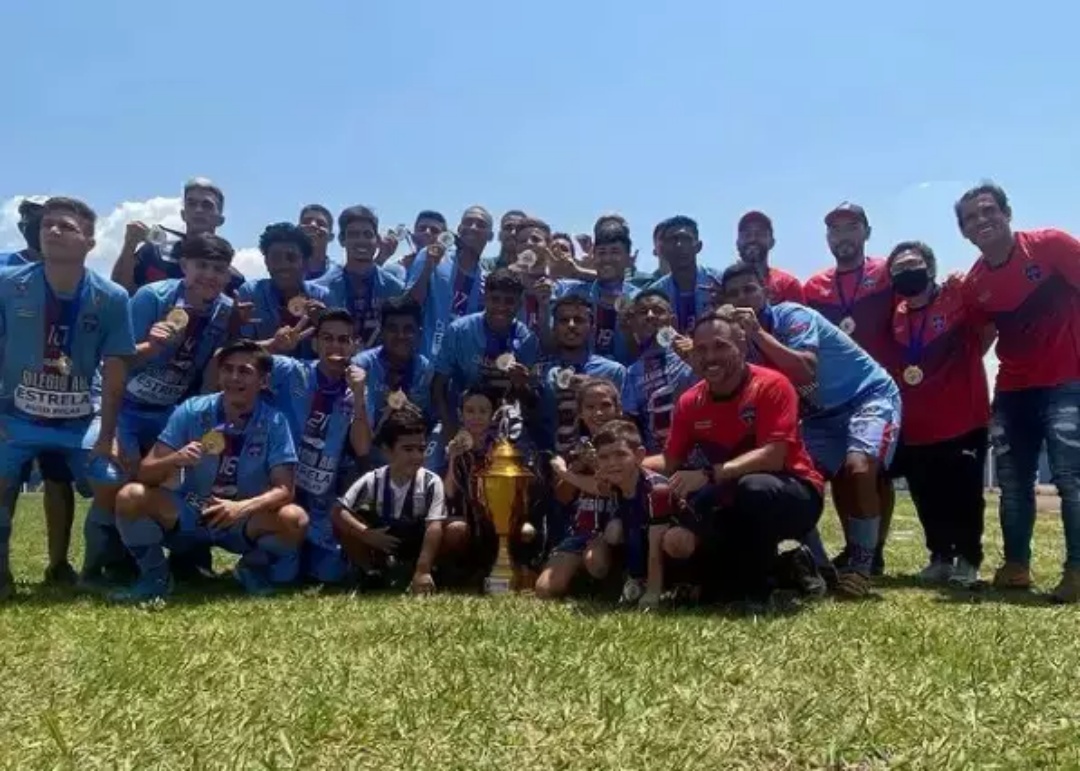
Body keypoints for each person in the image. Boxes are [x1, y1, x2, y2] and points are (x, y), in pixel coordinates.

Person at [720, 262, 900, 595]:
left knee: (859, 468)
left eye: (749, 289)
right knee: (794, 482)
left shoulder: (792, 316)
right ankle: (821, 566)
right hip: (818, 415)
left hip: (866, 395)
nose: (742, 298)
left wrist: (758, 332)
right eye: (733, 293)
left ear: (767, 291)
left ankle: (862, 567)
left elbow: (805, 370)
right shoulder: (737, 340)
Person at [81, 232, 239, 589]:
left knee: (186, 479)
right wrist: (152, 346)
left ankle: (183, 561)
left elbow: (216, 360)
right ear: (184, 265)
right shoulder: (152, 297)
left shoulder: (224, 309)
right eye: (201, 266)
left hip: (170, 411)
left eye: (218, 268)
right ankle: (96, 569)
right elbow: (117, 361)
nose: (209, 276)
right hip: (124, 407)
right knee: (110, 477)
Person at [0, 197, 136, 600]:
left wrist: (107, 434)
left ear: (90, 242)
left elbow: (114, 372)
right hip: (15, 416)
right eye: (48, 225)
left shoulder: (111, 297)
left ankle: (92, 570)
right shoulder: (8, 285)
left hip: (79, 418)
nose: (53, 231)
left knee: (110, 480)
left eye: (66, 227)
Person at [648, 310, 826, 605]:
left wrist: (707, 475)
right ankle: (792, 566)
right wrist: (621, 462)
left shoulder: (773, 385)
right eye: (701, 349)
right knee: (694, 564)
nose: (710, 356)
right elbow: (670, 461)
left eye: (720, 346)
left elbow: (773, 457)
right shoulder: (690, 401)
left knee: (754, 488)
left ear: (742, 346)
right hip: (728, 498)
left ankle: (759, 591)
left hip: (793, 491)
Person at [958, 182, 1080, 601]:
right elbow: (980, 340)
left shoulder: (1051, 246)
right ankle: (1015, 566)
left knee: (1070, 478)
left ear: (1007, 213)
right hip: (1012, 389)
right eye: (971, 218)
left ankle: (1077, 570)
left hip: (1068, 381)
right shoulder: (974, 283)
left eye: (988, 211)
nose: (982, 221)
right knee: (1012, 483)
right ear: (965, 233)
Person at [111, 341, 306, 601]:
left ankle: (251, 568)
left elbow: (285, 489)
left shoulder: (275, 422)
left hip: (240, 519)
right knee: (130, 496)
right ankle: (155, 577)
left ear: (263, 380)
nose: (234, 378)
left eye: (245, 371)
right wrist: (175, 459)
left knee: (295, 519)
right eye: (228, 369)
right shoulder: (192, 410)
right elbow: (145, 473)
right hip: (190, 512)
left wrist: (241, 508)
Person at [885, 242, 991, 587]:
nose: (907, 272)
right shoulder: (897, 313)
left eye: (913, 264)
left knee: (965, 493)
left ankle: (969, 559)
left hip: (964, 417)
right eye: (898, 268)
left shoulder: (956, 297)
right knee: (926, 494)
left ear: (930, 268)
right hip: (918, 423)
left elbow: (986, 329)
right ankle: (940, 556)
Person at [0, 196, 78, 584]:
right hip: (9, 393)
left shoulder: (73, 273)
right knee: (7, 477)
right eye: (37, 222)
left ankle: (59, 563)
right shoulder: (5, 268)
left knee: (58, 477)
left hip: (58, 392)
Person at [266, 310, 373, 584]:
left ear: (354, 346)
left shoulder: (357, 389)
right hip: (279, 491)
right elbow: (226, 358)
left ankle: (304, 553)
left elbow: (362, 448)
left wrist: (359, 396)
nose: (335, 346)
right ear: (315, 343)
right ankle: (265, 557)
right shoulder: (291, 371)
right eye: (327, 338)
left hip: (319, 501)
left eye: (343, 340)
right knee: (283, 575)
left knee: (331, 574)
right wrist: (272, 346)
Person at [332, 408, 466, 594]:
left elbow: (434, 527)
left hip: (419, 541)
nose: (417, 456)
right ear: (387, 450)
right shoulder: (374, 479)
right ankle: (371, 572)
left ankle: (431, 572)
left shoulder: (430, 482)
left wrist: (422, 569)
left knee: (457, 529)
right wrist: (366, 534)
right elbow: (338, 511)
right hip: (383, 539)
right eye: (408, 449)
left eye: (421, 449)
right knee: (347, 524)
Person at [538, 378, 626, 599]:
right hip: (581, 530)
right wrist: (577, 466)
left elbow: (610, 489)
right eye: (590, 407)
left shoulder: (627, 445)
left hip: (616, 531)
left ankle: (620, 581)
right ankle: (580, 580)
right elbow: (562, 496)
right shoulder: (575, 448)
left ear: (618, 409)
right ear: (580, 413)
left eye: (605, 405)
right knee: (544, 589)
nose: (598, 413)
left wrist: (585, 468)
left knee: (596, 563)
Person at [432, 268, 541, 441]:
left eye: (509, 301)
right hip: (462, 420)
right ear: (484, 298)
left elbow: (533, 402)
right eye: (495, 299)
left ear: (520, 304)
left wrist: (522, 385)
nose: (501, 307)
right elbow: (438, 385)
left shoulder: (527, 340)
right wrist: (448, 425)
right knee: (434, 464)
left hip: (507, 424)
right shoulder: (459, 331)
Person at [110, 177, 245, 295]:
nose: (198, 210)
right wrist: (129, 246)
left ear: (220, 220)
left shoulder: (231, 277)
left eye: (207, 205)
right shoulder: (155, 251)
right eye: (191, 204)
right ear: (183, 214)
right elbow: (118, 293)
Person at [533, 296, 626, 454]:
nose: (571, 326)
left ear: (592, 327)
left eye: (579, 320)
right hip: (549, 463)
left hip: (601, 463)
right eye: (564, 320)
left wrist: (594, 389)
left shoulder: (614, 371)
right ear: (554, 327)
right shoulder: (541, 373)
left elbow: (626, 424)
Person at [354, 296, 435, 467]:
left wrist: (416, 416)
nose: (400, 336)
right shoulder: (362, 366)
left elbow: (429, 420)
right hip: (365, 457)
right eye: (392, 328)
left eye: (408, 329)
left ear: (419, 333)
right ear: (381, 331)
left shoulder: (425, 369)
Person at [407, 206, 494, 359]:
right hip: (422, 359)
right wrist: (428, 268)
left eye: (481, 225)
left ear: (490, 236)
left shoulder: (485, 280)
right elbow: (409, 305)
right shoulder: (430, 255)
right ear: (459, 229)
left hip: (458, 366)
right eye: (468, 222)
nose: (473, 228)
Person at [235, 223, 331, 359]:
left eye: (291, 258)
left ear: (305, 262)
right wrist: (273, 345)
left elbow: (339, 349)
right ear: (266, 262)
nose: (283, 265)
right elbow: (236, 349)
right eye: (275, 258)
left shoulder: (322, 296)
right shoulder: (251, 293)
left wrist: (324, 326)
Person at [317, 206, 406, 351]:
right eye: (354, 234)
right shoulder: (322, 289)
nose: (361, 241)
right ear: (342, 240)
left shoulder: (395, 289)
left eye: (367, 234)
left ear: (377, 240)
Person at [621, 290, 697, 454]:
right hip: (658, 460)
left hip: (699, 455)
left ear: (673, 321)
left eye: (658, 311)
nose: (650, 316)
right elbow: (631, 425)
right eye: (642, 312)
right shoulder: (631, 372)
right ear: (633, 323)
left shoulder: (695, 352)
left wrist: (697, 358)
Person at [555, 222, 640, 364]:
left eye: (615, 252)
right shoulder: (571, 292)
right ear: (593, 257)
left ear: (628, 258)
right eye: (601, 253)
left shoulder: (639, 300)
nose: (607, 259)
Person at [646, 216, 719, 334]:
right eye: (673, 240)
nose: (679, 245)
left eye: (686, 239)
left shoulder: (718, 281)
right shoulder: (655, 293)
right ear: (663, 250)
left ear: (698, 246)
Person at [735, 211, 805, 304]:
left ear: (772, 242)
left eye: (759, 234)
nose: (753, 239)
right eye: (747, 235)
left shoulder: (788, 284)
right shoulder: (723, 285)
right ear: (737, 243)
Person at [382, 210, 448, 280]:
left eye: (434, 230)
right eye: (422, 229)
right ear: (413, 234)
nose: (427, 232)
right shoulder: (397, 269)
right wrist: (382, 257)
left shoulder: (451, 269)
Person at [298, 204, 335, 280]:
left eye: (321, 223)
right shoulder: (284, 270)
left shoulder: (341, 276)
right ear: (298, 230)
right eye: (306, 222)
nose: (313, 225)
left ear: (331, 237)